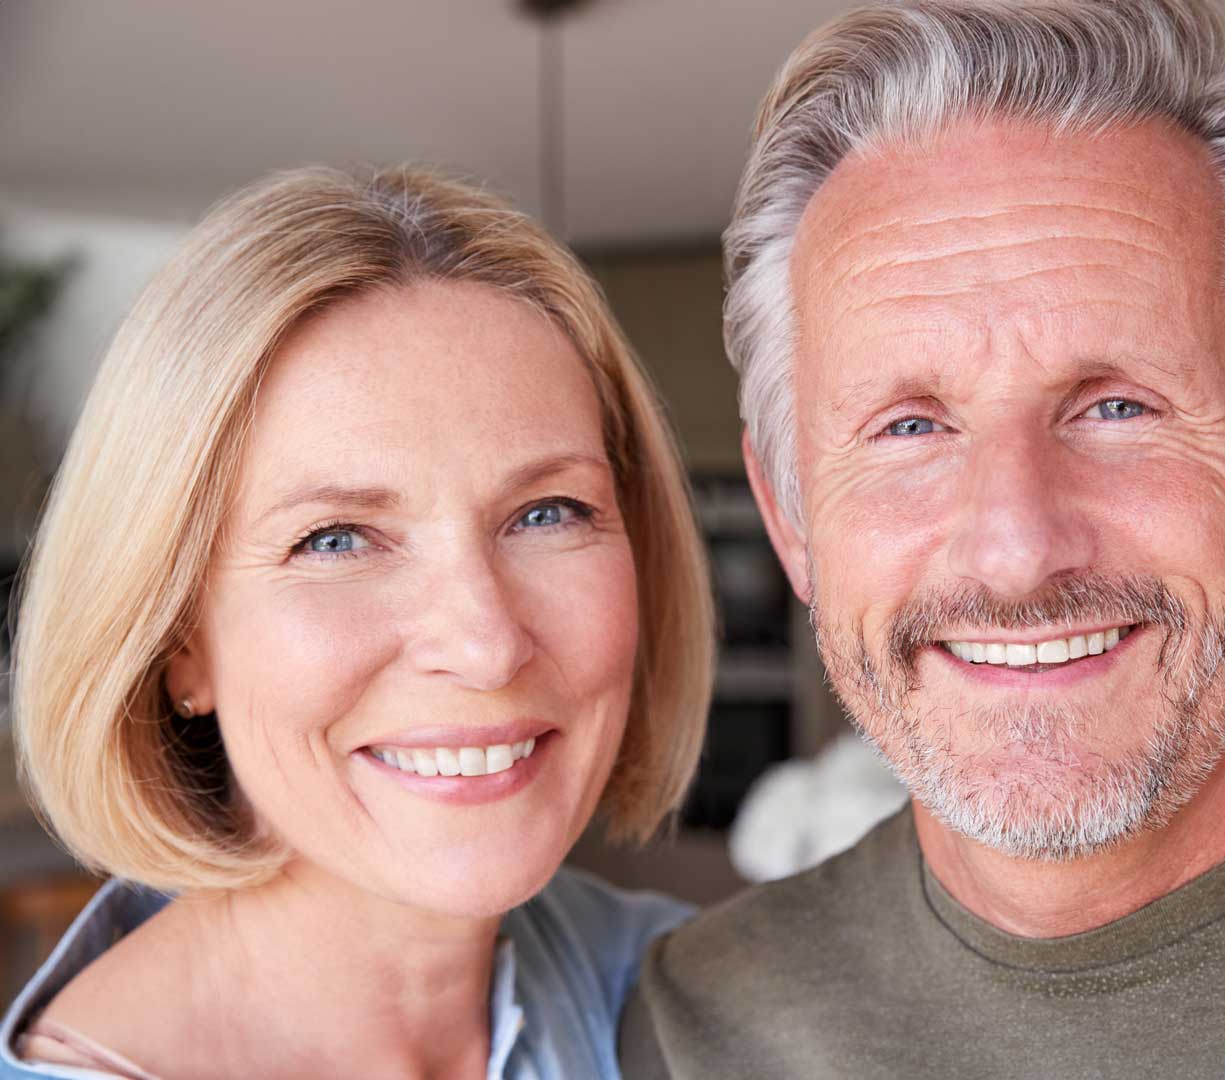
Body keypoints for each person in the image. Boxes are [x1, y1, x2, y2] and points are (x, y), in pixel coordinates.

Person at [620, 1, 1225, 1075]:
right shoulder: (696, 1026)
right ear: (790, 521)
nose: (1015, 551)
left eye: (1117, 408)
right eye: (909, 427)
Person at [1, 165, 716, 1078]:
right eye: (337, 538)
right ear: (178, 642)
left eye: (547, 513)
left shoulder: (708, 997)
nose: (484, 642)